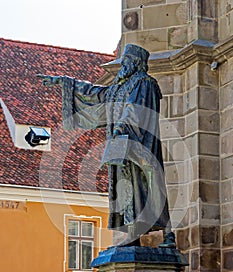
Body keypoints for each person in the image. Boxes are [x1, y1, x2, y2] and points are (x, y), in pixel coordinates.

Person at [38, 44, 175, 248]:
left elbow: (135, 108)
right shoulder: (118, 88)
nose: (123, 66)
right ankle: (133, 234)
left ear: (136, 63)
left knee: (148, 185)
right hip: (121, 145)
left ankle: (168, 236)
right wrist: (66, 83)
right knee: (127, 188)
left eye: (127, 61)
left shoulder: (144, 83)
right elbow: (95, 95)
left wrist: (121, 127)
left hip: (140, 144)